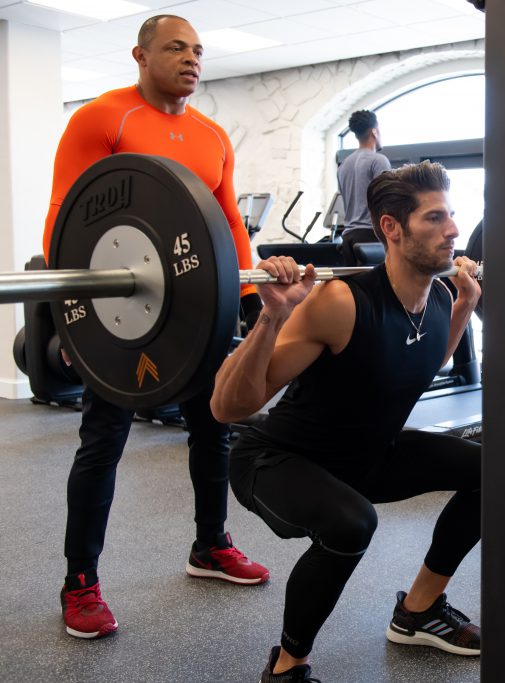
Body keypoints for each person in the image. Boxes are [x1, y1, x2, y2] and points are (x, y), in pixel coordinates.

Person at [211, 161, 482, 682]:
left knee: (494, 471)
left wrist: (465, 307)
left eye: (452, 216)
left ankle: (419, 611)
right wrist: (272, 314)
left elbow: (418, 366)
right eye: (435, 219)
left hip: (365, 456)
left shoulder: (443, 296)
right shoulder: (340, 302)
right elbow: (228, 409)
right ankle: (288, 665)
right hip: (277, 459)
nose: (453, 230)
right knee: (351, 521)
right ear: (391, 229)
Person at [43, 14, 269, 640]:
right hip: (122, 316)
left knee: (213, 427)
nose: (191, 58)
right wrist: (75, 318)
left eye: (198, 49)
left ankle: (210, 546)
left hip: (195, 309)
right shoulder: (103, 119)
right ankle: (80, 582)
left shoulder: (212, 135)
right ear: (140, 55)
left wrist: (249, 291)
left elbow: (229, 226)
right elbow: (67, 218)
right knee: (102, 444)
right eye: (176, 47)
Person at [336, 109, 391, 264]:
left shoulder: (343, 166)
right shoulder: (379, 160)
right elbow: (386, 200)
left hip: (348, 238)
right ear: (374, 131)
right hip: (371, 237)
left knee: (353, 287)